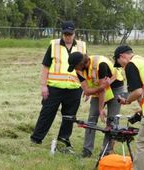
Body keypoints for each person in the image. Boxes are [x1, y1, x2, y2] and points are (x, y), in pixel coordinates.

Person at [30, 21, 86, 153]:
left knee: (69, 116)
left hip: (74, 89)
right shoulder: (53, 44)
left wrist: (85, 87)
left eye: (70, 34)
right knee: (47, 113)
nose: (68, 36)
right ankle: (36, 138)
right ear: (62, 33)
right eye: (65, 34)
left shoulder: (82, 46)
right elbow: (45, 66)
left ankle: (63, 139)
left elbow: (84, 68)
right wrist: (43, 86)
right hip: (54, 88)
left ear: (74, 33)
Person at [67, 52, 124, 157]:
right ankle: (87, 151)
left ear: (82, 63)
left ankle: (107, 152)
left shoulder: (101, 65)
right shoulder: (79, 69)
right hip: (99, 87)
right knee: (91, 119)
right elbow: (88, 90)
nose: (75, 69)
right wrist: (98, 89)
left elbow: (103, 91)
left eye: (75, 66)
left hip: (115, 88)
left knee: (112, 120)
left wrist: (101, 109)